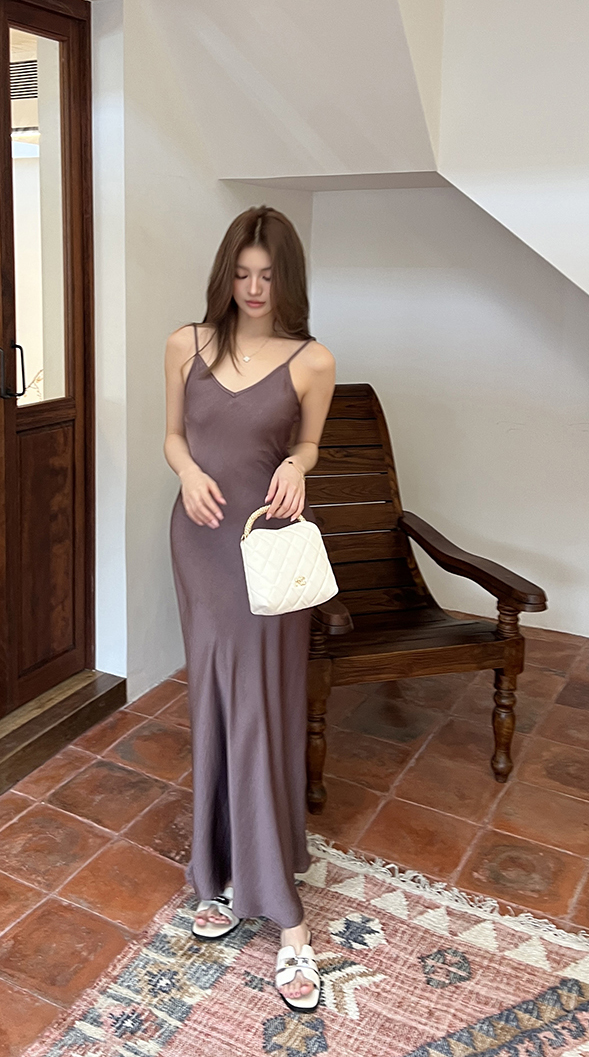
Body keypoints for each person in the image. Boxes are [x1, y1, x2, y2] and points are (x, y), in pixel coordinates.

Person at [164, 205, 336, 1010]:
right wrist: (186, 472)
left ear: (286, 278)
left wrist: (299, 465)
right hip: (200, 542)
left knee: (262, 704)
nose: (254, 288)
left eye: (267, 275)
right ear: (225, 274)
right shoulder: (185, 344)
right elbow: (173, 435)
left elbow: (307, 444)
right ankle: (218, 869)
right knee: (213, 698)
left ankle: (285, 917)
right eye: (242, 273)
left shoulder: (312, 360)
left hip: (266, 548)